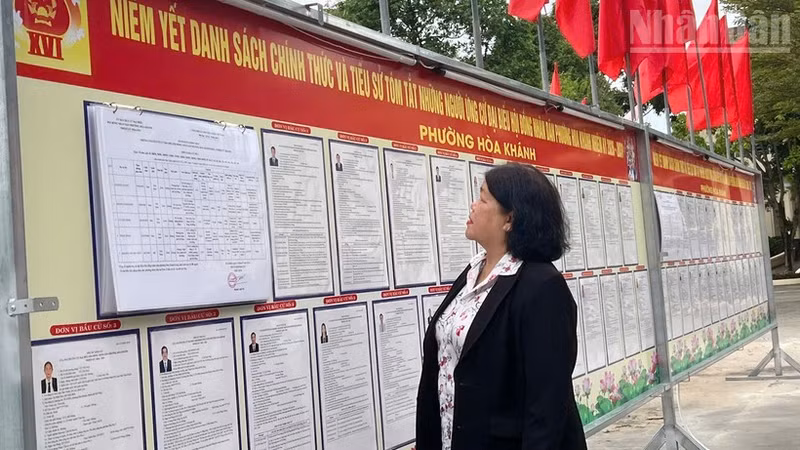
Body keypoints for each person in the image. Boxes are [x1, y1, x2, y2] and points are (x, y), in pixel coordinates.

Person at [416, 163, 586, 450]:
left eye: (483, 199)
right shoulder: (472, 273)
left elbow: (546, 404)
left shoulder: (542, 287)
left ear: (509, 218)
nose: (473, 205)